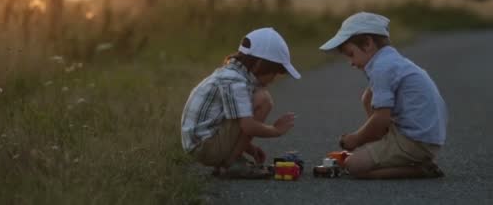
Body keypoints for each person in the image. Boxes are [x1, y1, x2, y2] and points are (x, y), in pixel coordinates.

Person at [320, 12, 447, 179]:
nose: (351, 62)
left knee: (354, 166)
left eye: (351, 54)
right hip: (427, 136)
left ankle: (419, 169)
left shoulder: (382, 68)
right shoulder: (392, 61)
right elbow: (375, 106)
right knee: (368, 95)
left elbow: (381, 119)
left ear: (367, 43)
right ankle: (387, 145)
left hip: (415, 141)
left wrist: (356, 139)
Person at [181, 27, 300, 178]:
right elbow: (247, 126)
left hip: (202, 143)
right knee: (263, 99)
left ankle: (232, 159)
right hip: (205, 147)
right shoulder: (234, 81)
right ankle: (231, 163)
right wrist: (276, 130)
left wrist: (248, 147)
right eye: (275, 72)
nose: (274, 78)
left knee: (257, 98)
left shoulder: (231, 75)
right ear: (259, 64)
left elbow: (226, 120)